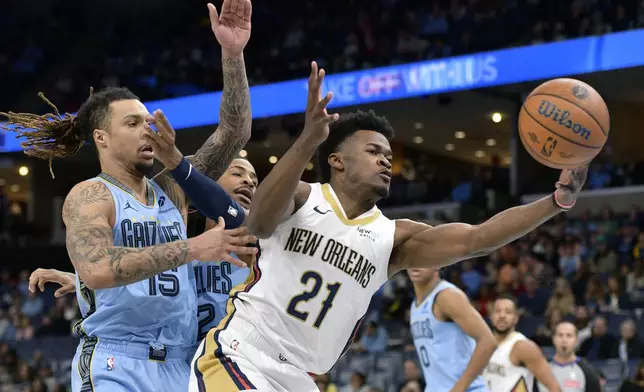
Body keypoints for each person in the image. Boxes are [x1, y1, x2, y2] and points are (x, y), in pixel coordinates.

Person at [190, 61, 587, 392]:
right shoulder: (302, 197)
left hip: (301, 378)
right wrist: (308, 140)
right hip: (242, 353)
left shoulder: (394, 238)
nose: (385, 160)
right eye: (373, 151)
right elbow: (258, 223)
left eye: (388, 154)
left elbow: (476, 240)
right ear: (338, 161)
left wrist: (556, 202)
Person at [0, 2, 257, 390]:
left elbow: (234, 131)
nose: (147, 130)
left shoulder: (171, 186)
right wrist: (192, 248)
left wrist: (233, 54)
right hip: (117, 361)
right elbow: (99, 268)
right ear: (101, 137)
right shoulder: (91, 195)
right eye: (133, 123)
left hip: (180, 364)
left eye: (149, 122)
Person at [28, 157, 258, 342]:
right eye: (237, 173)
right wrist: (82, 281)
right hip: (193, 364)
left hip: (241, 362)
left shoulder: (260, 242)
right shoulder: (185, 239)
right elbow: (150, 273)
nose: (248, 181)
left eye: (254, 181)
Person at [408, 268, 496, 391]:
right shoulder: (414, 305)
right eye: (411, 258)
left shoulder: (447, 295)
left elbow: (488, 341)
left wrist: (458, 389)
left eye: (422, 258)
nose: (415, 264)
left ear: (438, 264)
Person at [484, 296, 561, 392]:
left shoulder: (524, 346)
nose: (502, 315)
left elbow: (554, 387)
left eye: (508, 312)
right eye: (498, 311)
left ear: (515, 318)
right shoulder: (482, 345)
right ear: (491, 316)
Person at [538, 321, 601, 392]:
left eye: (569, 335)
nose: (564, 340)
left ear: (576, 341)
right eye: (560, 335)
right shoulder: (542, 369)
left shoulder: (588, 371)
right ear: (553, 339)